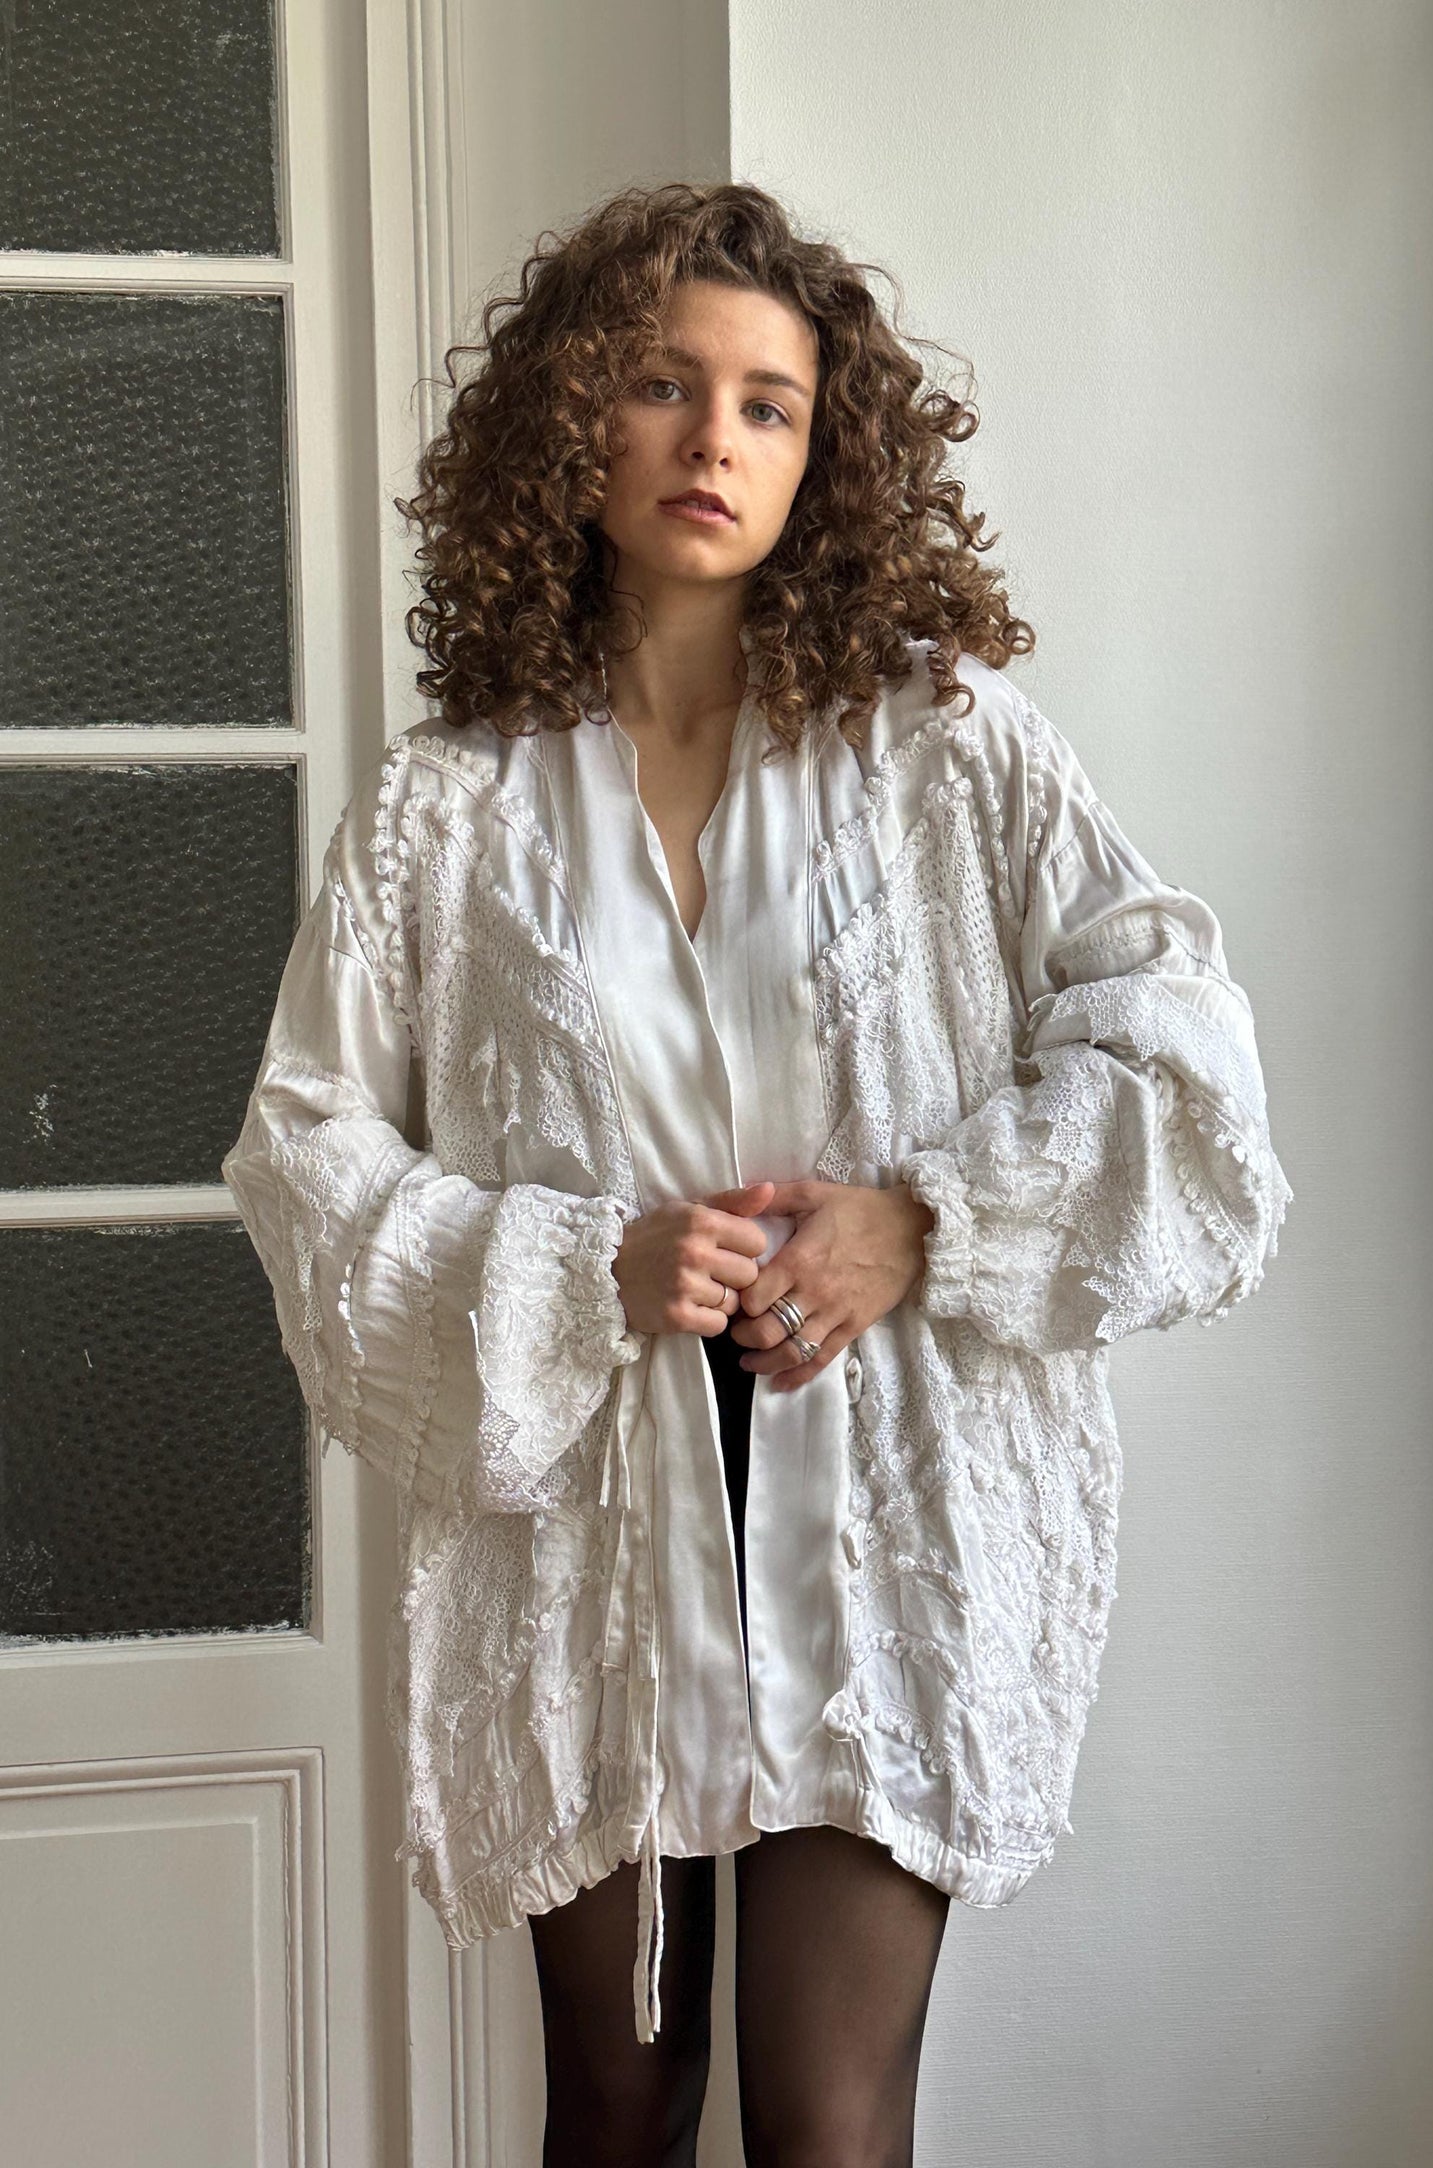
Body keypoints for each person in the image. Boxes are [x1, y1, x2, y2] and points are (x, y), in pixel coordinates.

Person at [222, 180, 1292, 2166]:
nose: (713, 438)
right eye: (662, 383)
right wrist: (574, 1270)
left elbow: (1182, 1048)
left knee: (824, 2118)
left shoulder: (948, 749)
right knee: (618, 2107)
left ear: (826, 454)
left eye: (769, 404)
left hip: (886, 1509)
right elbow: (306, 1153)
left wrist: (928, 1223)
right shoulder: (451, 808)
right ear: (573, 418)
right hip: (588, 1530)